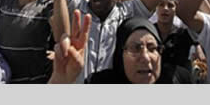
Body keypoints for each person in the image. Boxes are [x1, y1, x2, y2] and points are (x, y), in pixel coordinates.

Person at [49, 12, 192, 84]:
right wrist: (61, 82)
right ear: (120, 54)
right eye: (135, 49)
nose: (146, 57)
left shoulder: (179, 79)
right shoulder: (100, 84)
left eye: (152, 48)